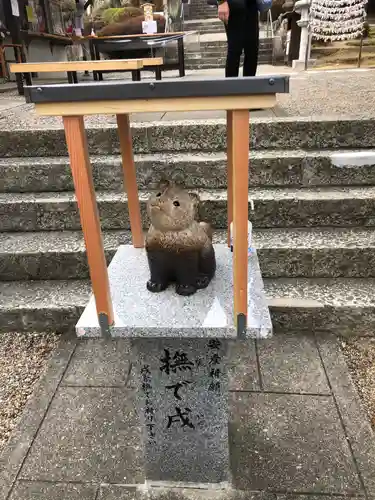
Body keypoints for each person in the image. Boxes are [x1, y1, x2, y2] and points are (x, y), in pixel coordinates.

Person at [217, 0, 259, 77]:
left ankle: (250, 85)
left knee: (252, 49)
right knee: (235, 49)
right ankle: (232, 86)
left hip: (251, 4)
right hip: (234, 4)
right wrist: (221, 2)